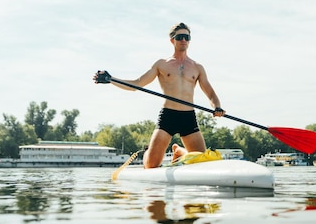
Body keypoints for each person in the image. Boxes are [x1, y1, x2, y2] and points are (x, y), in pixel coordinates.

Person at [93, 22, 225, 168]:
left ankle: (179, 151)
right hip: (168, 117)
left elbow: (211, 93)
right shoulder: (162, 64)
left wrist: (217, 107)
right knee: (150, 166)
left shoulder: (197, 67)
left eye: (187, 37)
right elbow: (136, 84)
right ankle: (153, 151)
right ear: (172, 40)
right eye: (180, 37)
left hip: (188, 118)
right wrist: (111, 79)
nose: (183, 40)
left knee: (202, 162)